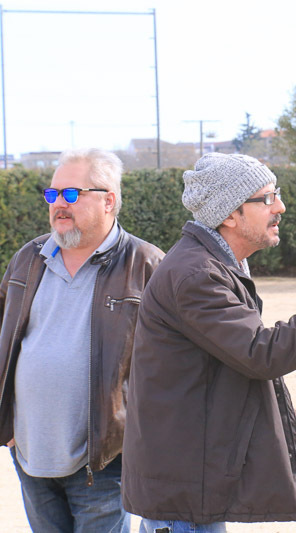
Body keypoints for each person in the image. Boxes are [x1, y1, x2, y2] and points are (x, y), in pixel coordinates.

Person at [121, 153, 296, 533]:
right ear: (230, 214)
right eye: (267, 198)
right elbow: (262, 352)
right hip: (183, 497)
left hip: (190, 485)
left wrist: (274, 408)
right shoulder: (196, 275)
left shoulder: (218, 265)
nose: (281, 207)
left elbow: (227, 362)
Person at [0, 148, 164, 532]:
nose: (59, 203)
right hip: (30, 454)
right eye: (53, 193)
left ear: (108, 200)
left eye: (72, 194)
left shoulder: (146, 264)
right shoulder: (29, 258)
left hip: (104, 461)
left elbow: (183, 355)